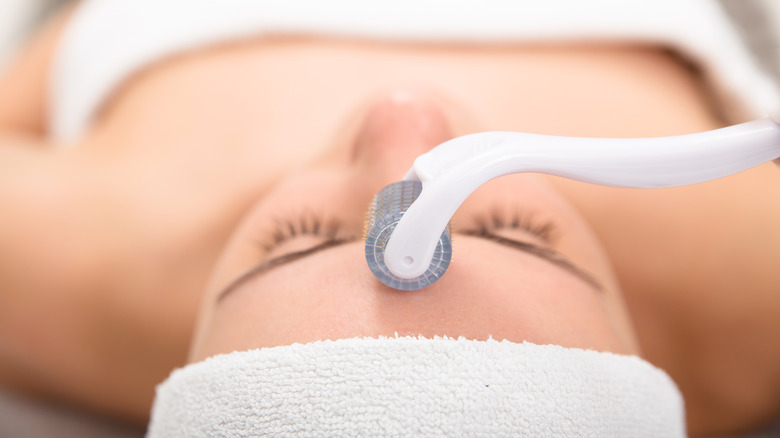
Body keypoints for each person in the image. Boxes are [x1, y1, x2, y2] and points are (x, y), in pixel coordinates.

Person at [1, 1, 779, 436]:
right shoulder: (753, 288)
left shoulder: (60, 280)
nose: (401, 113)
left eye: (300, 236)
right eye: (514, 229)